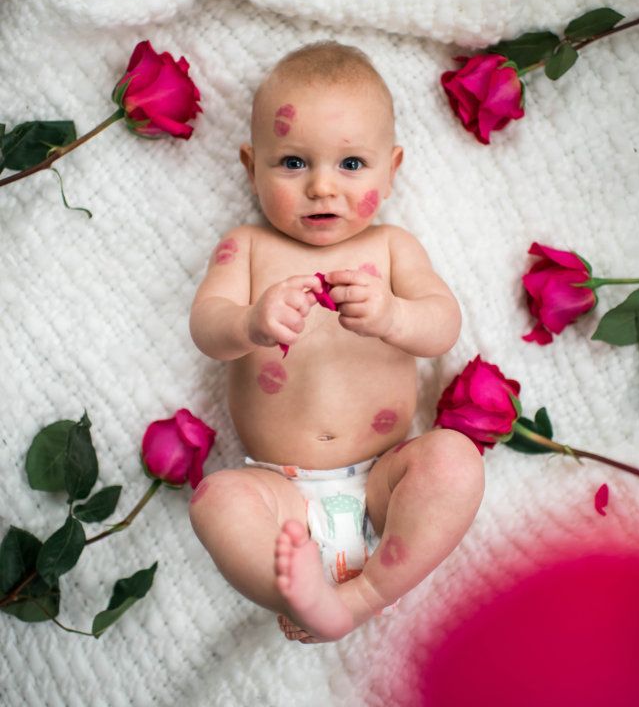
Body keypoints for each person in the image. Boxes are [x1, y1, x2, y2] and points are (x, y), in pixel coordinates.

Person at [188, 40, 484, 643]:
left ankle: (365, 594)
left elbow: (443, 325)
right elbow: (206, 329)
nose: (322, 187)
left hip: (384, 484)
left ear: (391, 169)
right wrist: (249, 323)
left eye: (351, 165)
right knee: (215, 501)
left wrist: (393, 316)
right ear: (251, 166)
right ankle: (296, 592)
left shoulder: (393, 248)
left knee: (456, 461)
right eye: (293, 163)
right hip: (280, 492)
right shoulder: (246, 247)